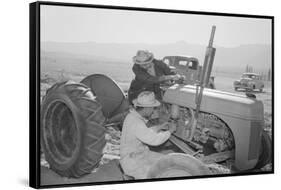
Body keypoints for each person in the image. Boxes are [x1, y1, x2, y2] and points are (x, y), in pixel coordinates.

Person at [120, 91, 176, 179]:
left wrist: (159, 127)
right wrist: (170, 131)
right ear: (147, 108)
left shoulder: (132, 117)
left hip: (139, 154)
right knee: (161, 174)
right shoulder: (136, 122)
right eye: (153, 108)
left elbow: (144, 133)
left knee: (167, 161)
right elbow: (154, 140)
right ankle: (131, 176)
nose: (153, 111)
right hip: (132, 161)